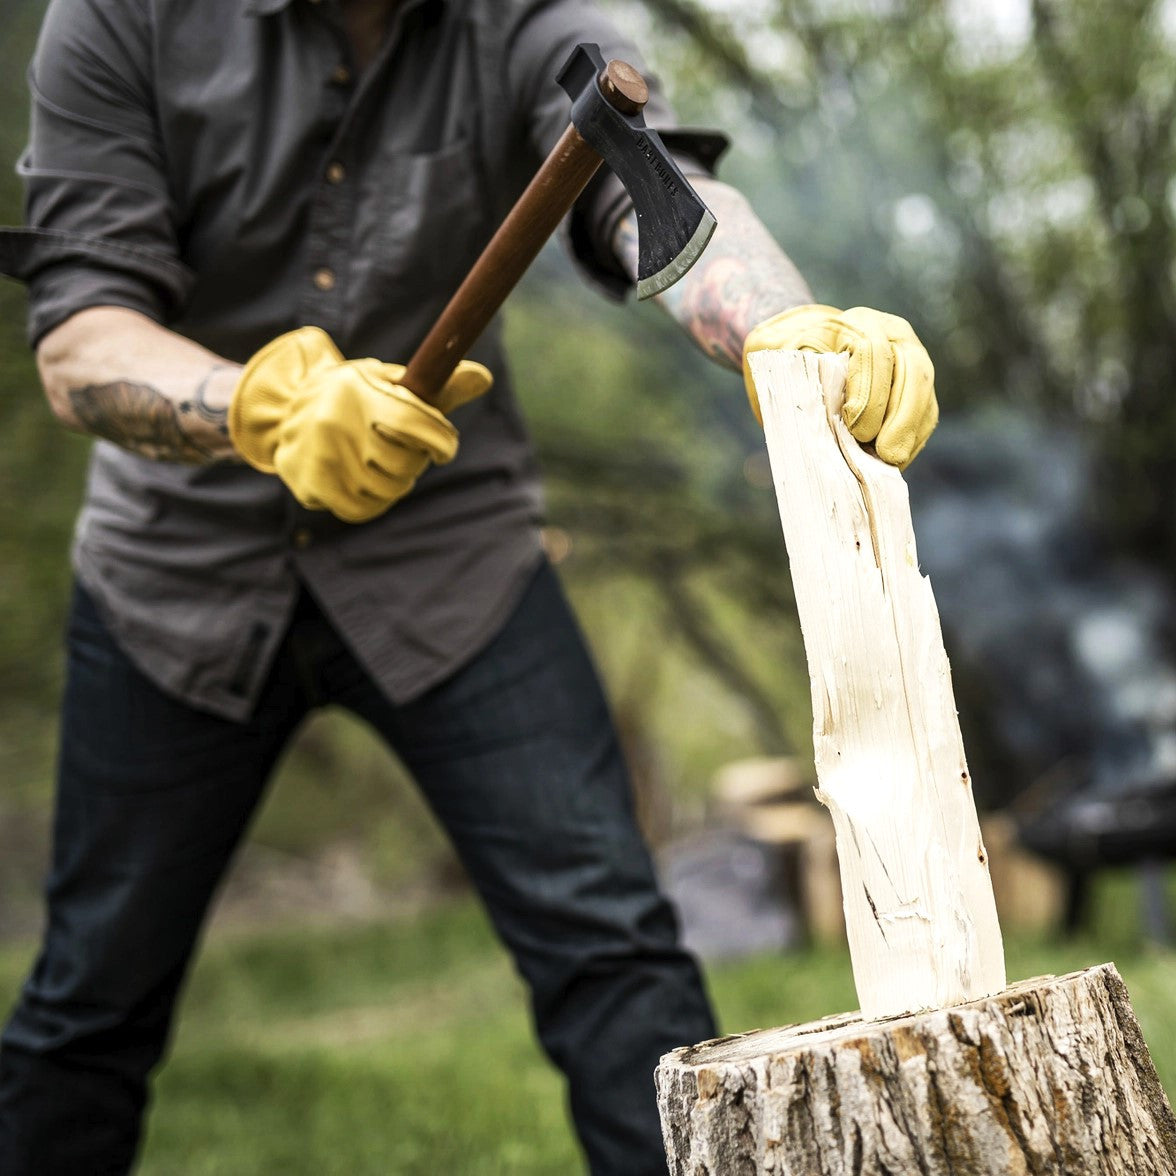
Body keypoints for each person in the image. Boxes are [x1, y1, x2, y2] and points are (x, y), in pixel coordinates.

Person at [0, 0, 937, 1171]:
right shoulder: (116, 21)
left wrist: (784, 328)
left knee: (617, 963)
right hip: (172, 580)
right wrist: (268, 408)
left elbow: (651, 195)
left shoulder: (530, 13)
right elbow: (81, 338)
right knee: (88, 1008)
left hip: (452, 562)